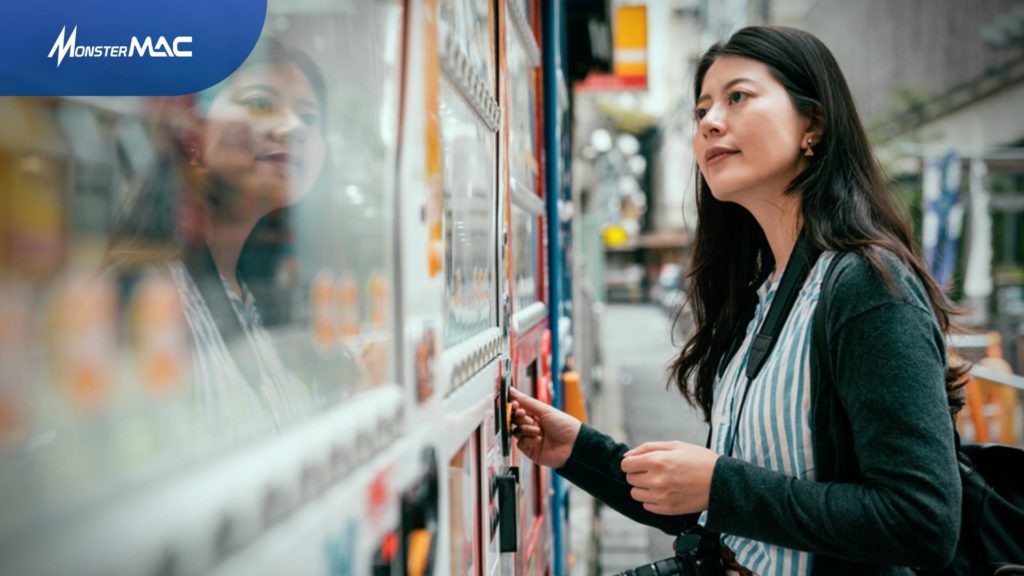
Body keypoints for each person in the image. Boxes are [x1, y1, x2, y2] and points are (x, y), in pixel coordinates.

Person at [511, 25, 966, 575]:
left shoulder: (866, 286)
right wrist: (576, 451)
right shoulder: (764, 294)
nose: (709, 121)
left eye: (737, 97)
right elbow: (722, 511)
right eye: (701, 109)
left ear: (813, 125)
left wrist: (721, 483)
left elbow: (922, 521)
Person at [107, 37, 344, 432]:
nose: (293, 128)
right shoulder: (150, 298)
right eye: (261, 103)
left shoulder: (253, 298)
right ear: (191, 132)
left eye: (309, 117)